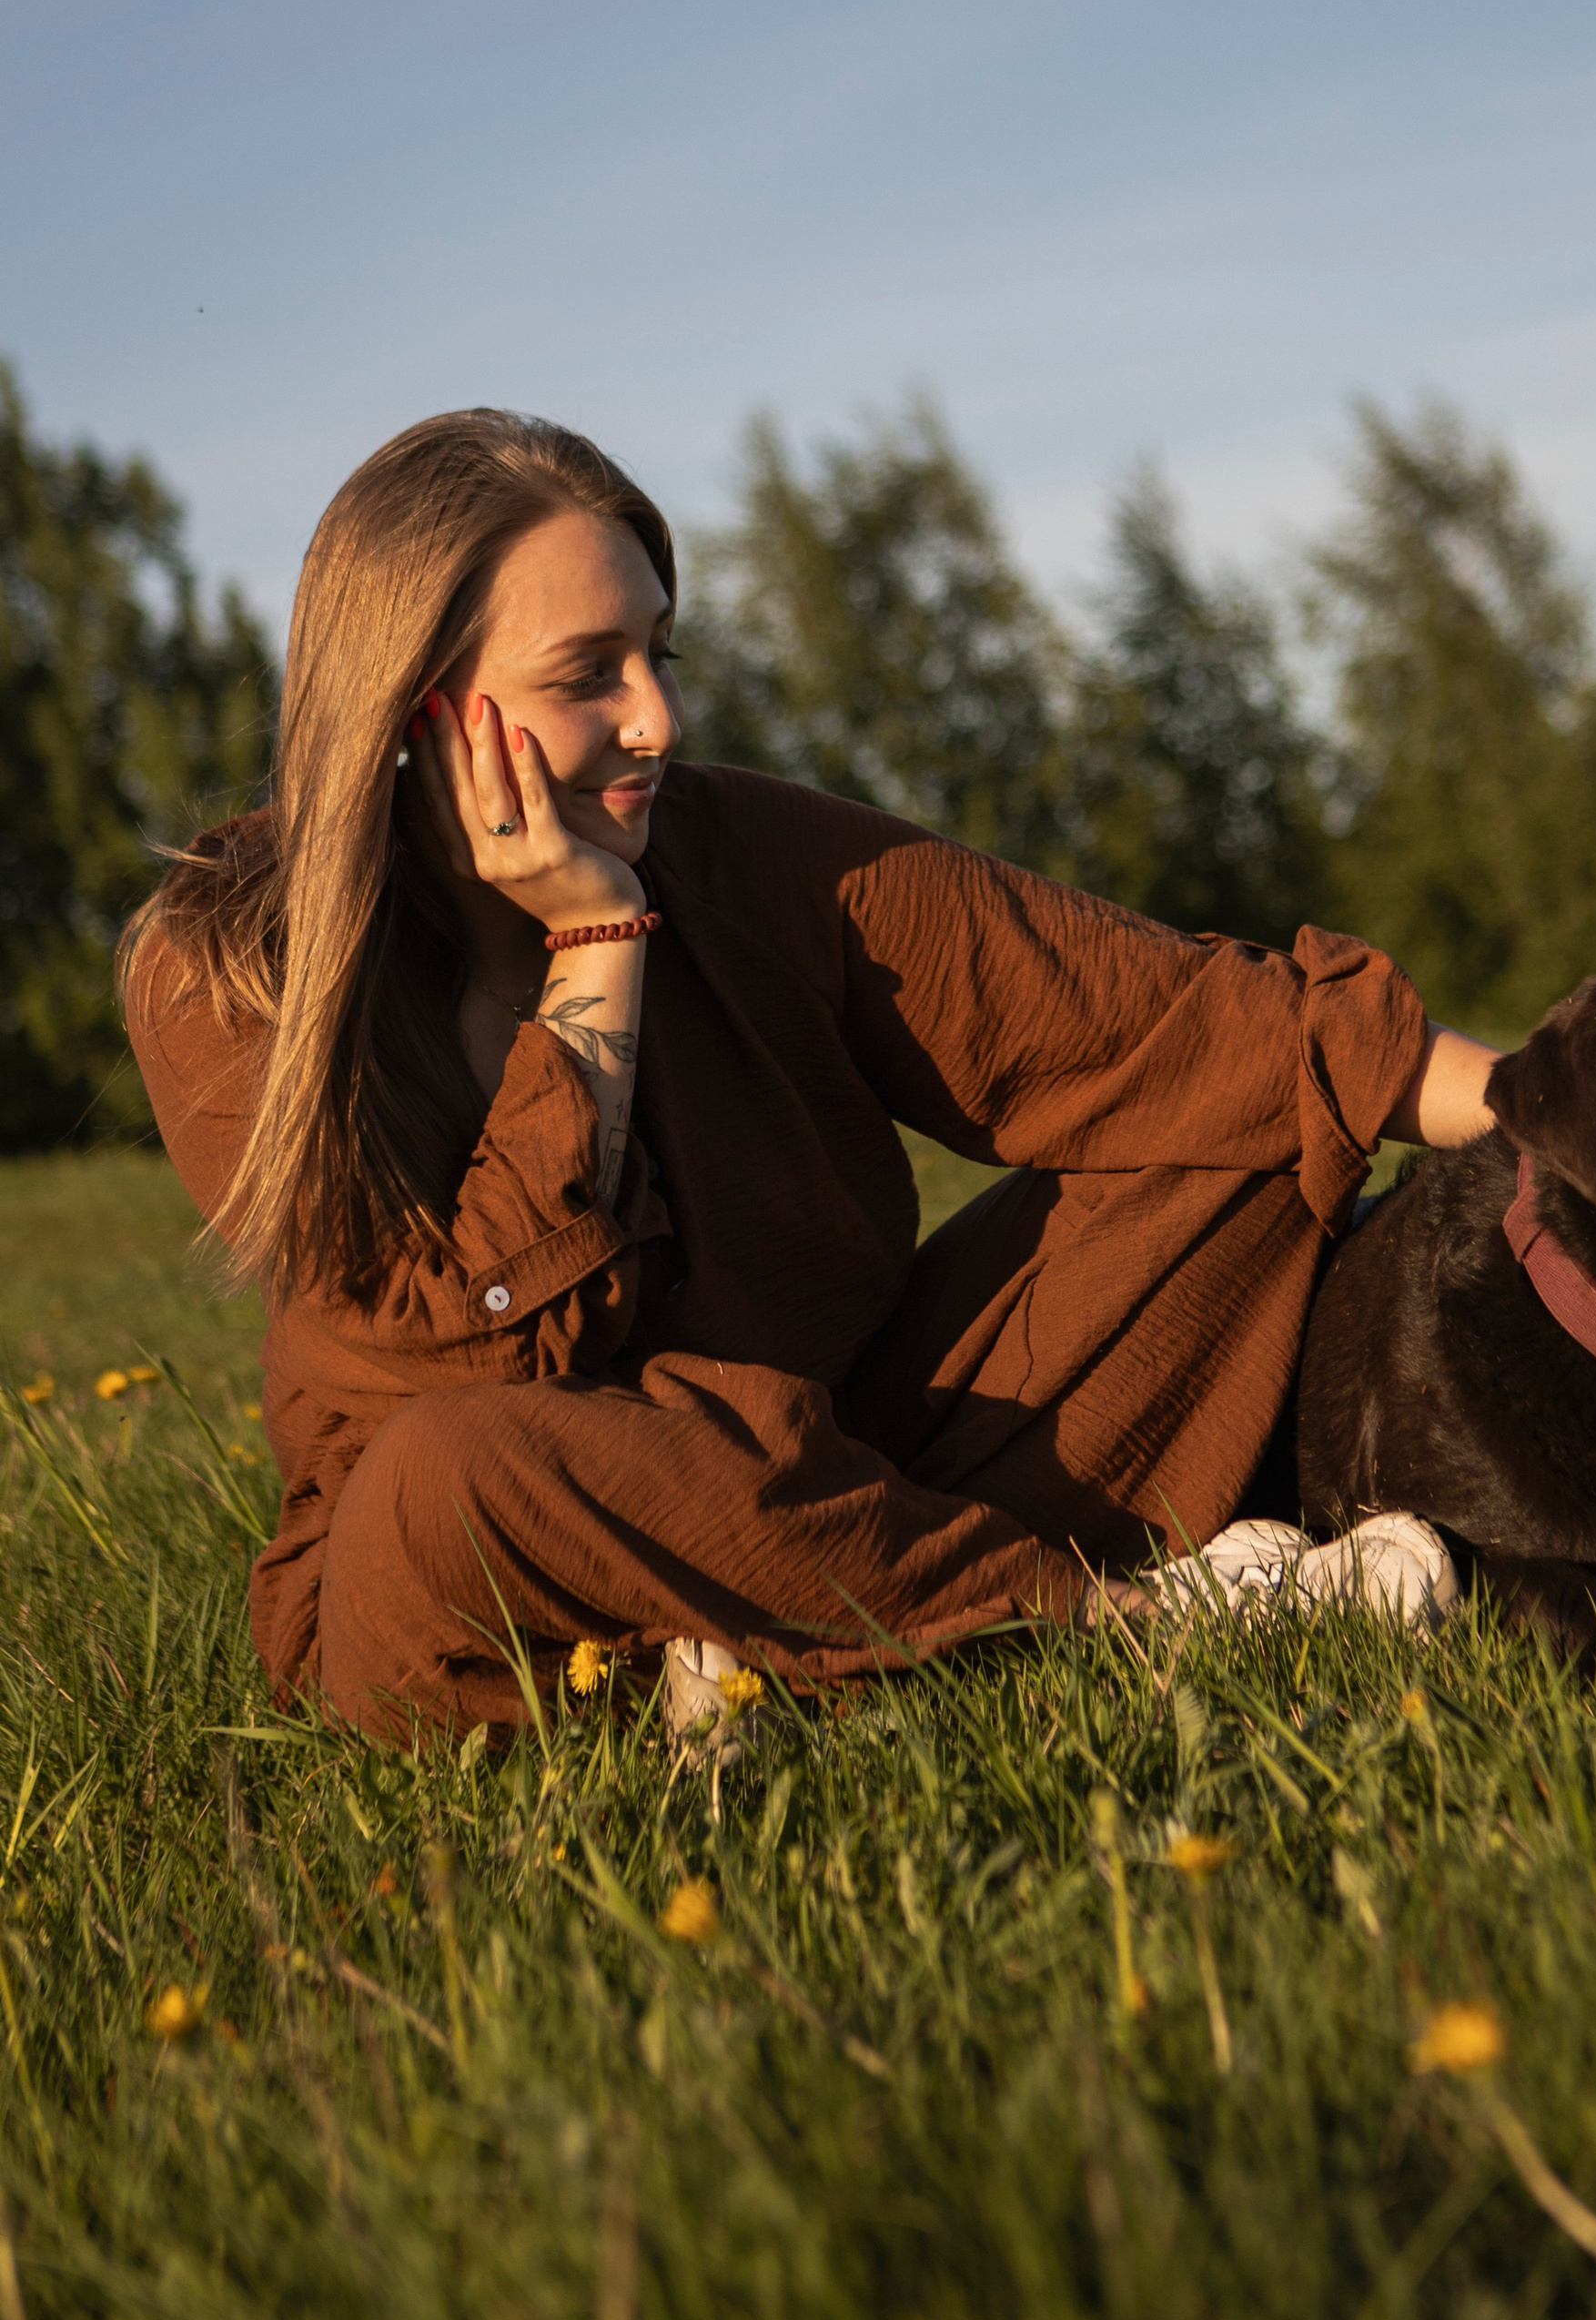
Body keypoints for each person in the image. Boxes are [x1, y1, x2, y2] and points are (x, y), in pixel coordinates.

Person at [122, 410, 1500, 1744]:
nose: (657, 718)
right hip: (487, 1589)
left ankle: (803, 1661)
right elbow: (474, 1355)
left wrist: (1560, 1115)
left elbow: (1169, 1024)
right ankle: (1122, 1625)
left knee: (1235, 1123)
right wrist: (595, 948)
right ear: (419, 709)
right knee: (447, 1466)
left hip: (842, 1476)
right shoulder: (229, 964)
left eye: (660, 653)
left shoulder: (732, 849)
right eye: (589, 674)